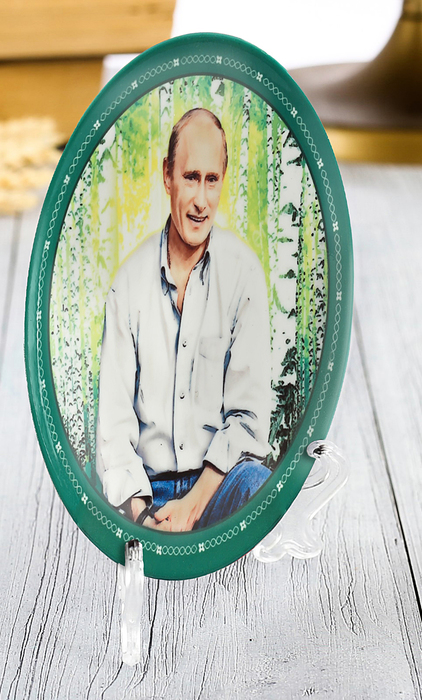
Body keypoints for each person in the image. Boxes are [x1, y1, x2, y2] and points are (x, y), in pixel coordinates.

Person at [96, 107, 272, 532]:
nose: (201, 200)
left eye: (212, 180)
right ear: (167, 176)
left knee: (260, 485)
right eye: (191, 177)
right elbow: (114, 429)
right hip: (149, 492)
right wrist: (143, 518)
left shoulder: (244, 274)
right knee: (99, 495)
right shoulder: (128, 284)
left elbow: (248, 420)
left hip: (218, 484)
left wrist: (193, 506)